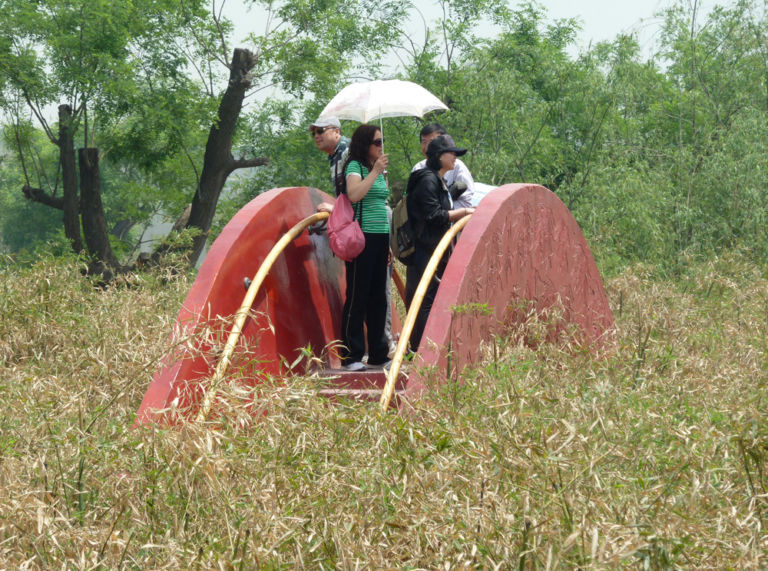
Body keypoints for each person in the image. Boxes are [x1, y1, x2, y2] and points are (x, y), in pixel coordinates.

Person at [405, 134, 474, 352]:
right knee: (425, 300)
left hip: (435, 249)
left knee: (432, 299)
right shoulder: (427, 180)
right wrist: (464, 212)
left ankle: (428, 350)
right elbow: (434, 216)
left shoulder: (437, 179)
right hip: (425, 250)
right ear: (438, 156)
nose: (455, 157)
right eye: (451, 153)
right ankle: (424, 352)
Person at [338, 124, 391, 371]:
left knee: (378, 297)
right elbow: (354, 194)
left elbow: (381, 203)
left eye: (381, 142)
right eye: (376, 143)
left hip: (380, 237)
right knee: (358, 295)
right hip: (362, 238)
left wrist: (388, 245)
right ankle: (351, 355)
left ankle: (379, 353)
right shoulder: (355, 167)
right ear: (364, 145)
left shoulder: (376, 170)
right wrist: (375, 171)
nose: (381, 146)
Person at [412, 123, 476, 208]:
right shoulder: (418, 169)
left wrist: (447, 212)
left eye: (432, 142)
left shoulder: (457, 167)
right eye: (424, 142)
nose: (427, 147)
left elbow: (466, 201)